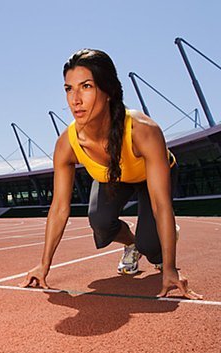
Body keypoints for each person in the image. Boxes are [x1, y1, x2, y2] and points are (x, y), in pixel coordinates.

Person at [21, 48, 202, 300]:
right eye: (68, 89)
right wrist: (44, 265)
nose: (75, 99)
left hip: (151, 175)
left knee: (151, 246)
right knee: (99, 222)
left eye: (86, 86)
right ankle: (131, 244)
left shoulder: (143, 131)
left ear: (108, 91)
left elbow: (161, 204)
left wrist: (170, 269)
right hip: (115, 178)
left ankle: (158, 242)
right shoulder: (67, 144)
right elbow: (59, 208)